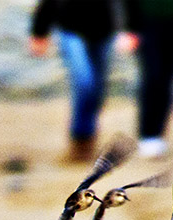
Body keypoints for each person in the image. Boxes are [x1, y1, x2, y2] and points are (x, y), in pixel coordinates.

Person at [29, 0, 138, 162]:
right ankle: (81, 138)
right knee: (84, 82)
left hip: (104, 31)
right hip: (71, 31)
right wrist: (40, 32)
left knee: (97, 89)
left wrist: (130, 29)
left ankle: (88, 139)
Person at [133, 0, 173, 159]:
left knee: (168, 78)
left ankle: (158, 133)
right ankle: (147, 134)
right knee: (152, 75)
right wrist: (128, 28)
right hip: (145, 21)